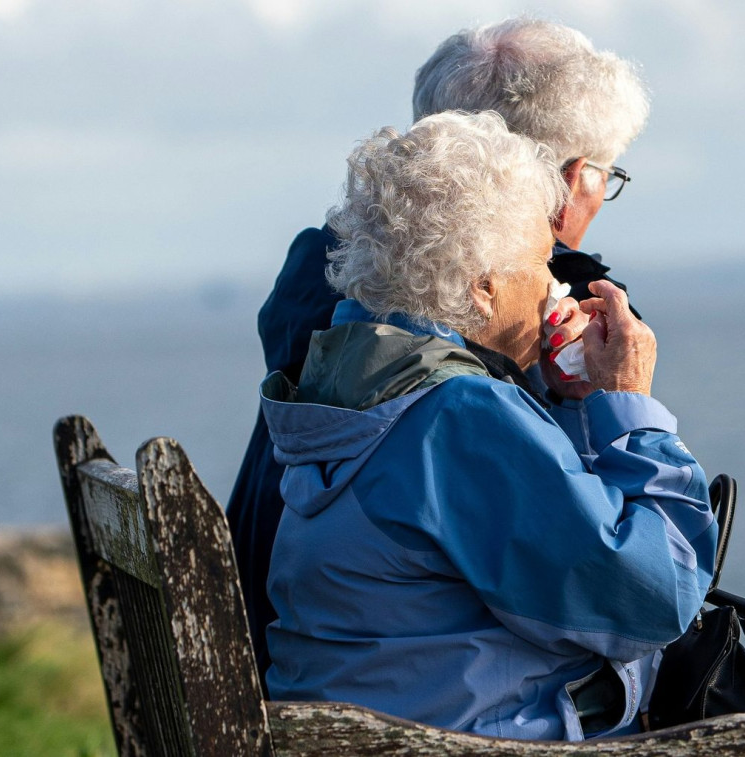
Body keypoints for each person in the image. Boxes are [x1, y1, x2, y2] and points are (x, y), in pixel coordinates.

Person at [260, 111, 715, 741]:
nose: (554, 283)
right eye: (542, 260)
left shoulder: (354, 379)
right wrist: (628, 403)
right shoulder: (457, 416)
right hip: (468, 742)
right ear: (482, 288)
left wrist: (569, 401)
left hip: (374, 731)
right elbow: (655, 598)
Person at [226, 17, 651, 686]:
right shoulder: (491, 350)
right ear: (569, 180)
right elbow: (628, 594)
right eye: (607, 173)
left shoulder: (334, 291)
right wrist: (620, 406)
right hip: (407, 702)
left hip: (269, 651)